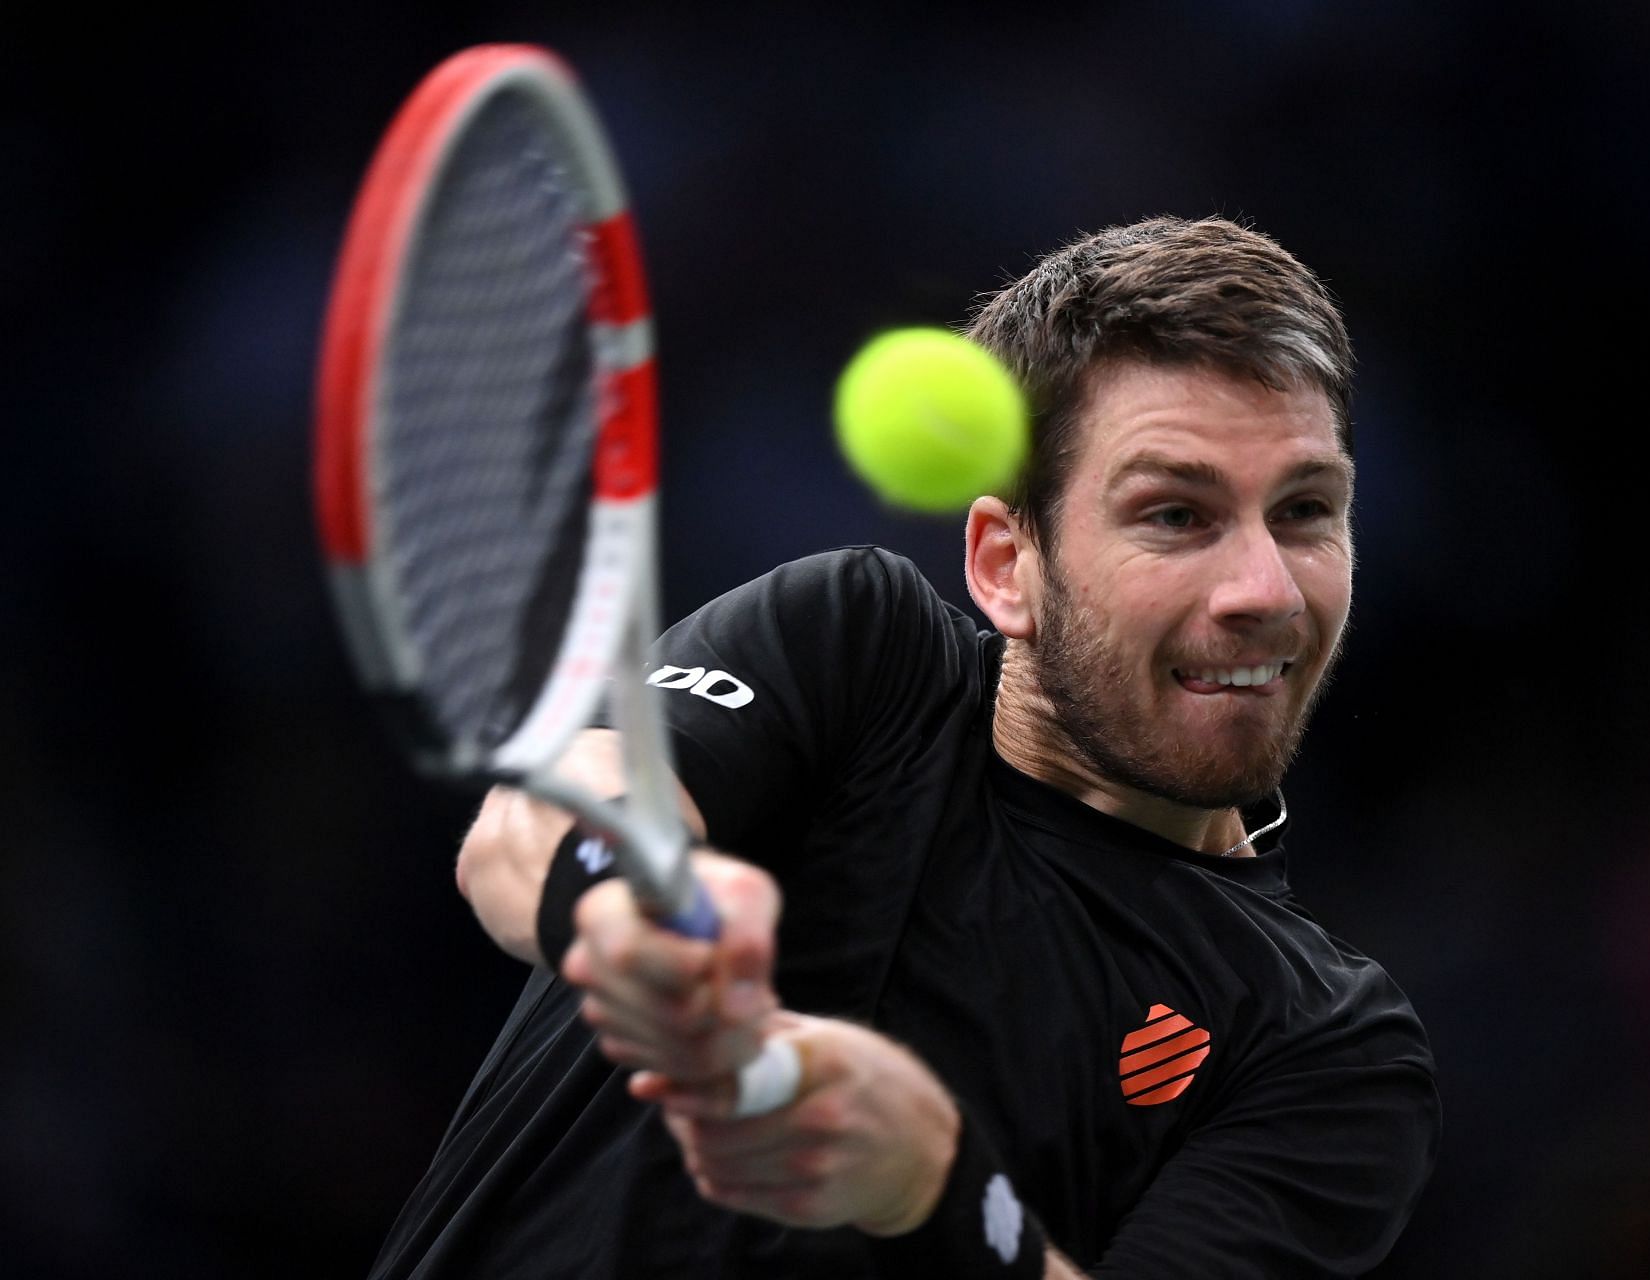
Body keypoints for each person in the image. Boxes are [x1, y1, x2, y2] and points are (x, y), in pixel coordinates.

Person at [370, 216, 1439, 1278]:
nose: (1266, 590)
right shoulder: (856, 646)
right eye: (1174, 514)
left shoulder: (1328, 1044)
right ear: (1006, 564)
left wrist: (933, 1183)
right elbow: (533, 821)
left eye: (1305, 509)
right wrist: (627, 906)